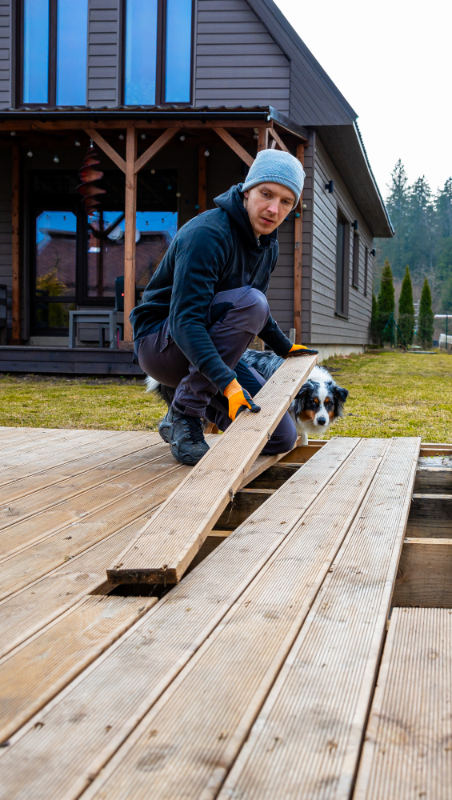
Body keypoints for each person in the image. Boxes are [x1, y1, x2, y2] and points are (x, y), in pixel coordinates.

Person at [131, 149, 318, 466]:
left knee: (279, 437)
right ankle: (185, 414)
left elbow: (255, 313)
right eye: (267, 194)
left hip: (209, 351)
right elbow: (186, 322)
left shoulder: (266, 244)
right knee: (252, 301)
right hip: (162, 345)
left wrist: (284, 347)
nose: (274, 209)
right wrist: (228, 383)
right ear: (247, 190)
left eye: (286, 202)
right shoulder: (207, 234)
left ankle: (173, 422)